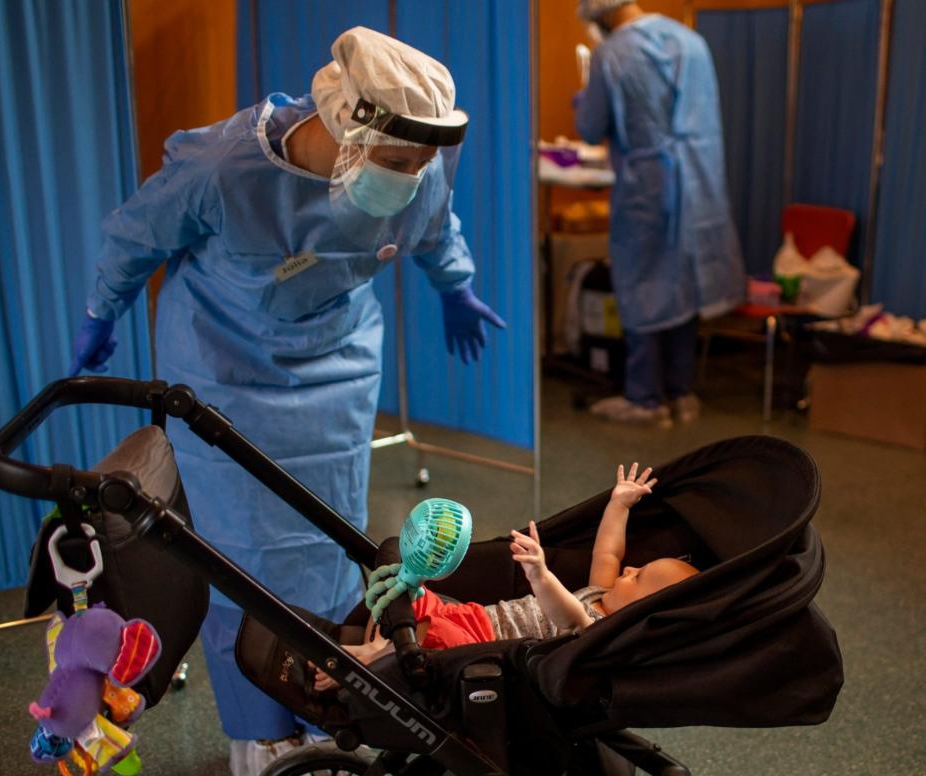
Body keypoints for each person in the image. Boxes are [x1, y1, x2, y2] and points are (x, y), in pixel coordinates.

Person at [66, 27, 506, 776]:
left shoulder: (420, 158)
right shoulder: (225, 167)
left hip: (338, 365)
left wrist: (454, 285)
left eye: (423, 162)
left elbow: (434, 225)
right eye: (398, 163)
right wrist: (102, 313)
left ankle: (316, 700)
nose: (414, 176)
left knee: (331, 541)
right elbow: (135, 236)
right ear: (345, 127)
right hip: (224, 364)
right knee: (240, 554)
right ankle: (256, 728)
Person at [313, 462, 698, 687]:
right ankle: (384, 645)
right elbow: (608, 549)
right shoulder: (603, 587)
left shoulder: (595, 629)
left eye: (640, 576)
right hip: (479, 617)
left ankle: (372, 660)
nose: (629, 567)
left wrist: (540, 574)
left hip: (487, 647)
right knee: (421, 597)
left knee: (441, 636)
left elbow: (567, 615)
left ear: (641, 611)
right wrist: (619, 505)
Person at [574, 1, 745, 427]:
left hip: (647, 188)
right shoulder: (692, 42)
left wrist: (582, 98)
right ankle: (680, 392)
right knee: (683, 282)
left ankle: (646, 398)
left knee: (643, 283)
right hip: (700, 183)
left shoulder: (612, 53)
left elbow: (591, 127)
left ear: (598, 14)